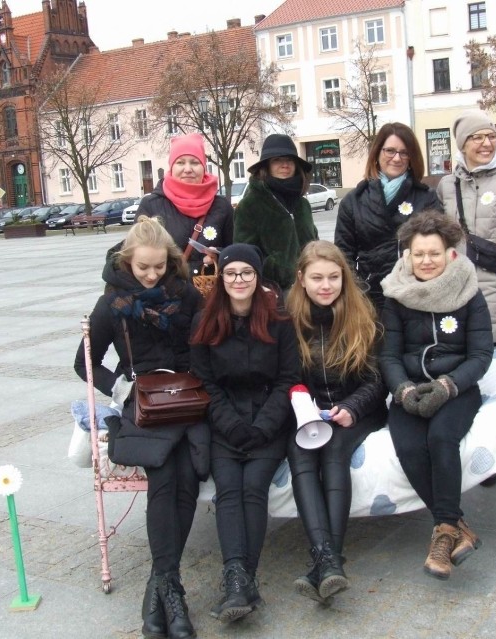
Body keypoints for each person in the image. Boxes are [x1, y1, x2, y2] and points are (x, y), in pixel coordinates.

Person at [73, 217, 205, 639]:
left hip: (186, 399)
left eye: (159, 267)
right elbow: (85, 362)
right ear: (127, 261)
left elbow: (207, 344)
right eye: (143, 267)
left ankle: (161, 587)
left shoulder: (185, 294)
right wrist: (121, 388)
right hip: (143, 404)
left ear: (170, 261)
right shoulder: (111, 303)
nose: (151, 275)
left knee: (187, 475)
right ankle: (171, 589)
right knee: (166, 476)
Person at [379, 211, 493, 581]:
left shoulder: (469, 293)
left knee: (441, 438)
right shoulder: (395, 296)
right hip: (410, 388)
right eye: (418, 254)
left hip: (456, 388)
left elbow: (480, 355)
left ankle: (443, 534)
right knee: (411, 447)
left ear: (450, 254)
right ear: (407, 256)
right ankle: (458, 527)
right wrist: (403, 389)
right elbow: (389, 355)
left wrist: (447, 386)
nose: (426, 261)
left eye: (434, 253)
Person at [190, 243, 300, 622]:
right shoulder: (205, 320)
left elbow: (288, 379)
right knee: (229, 492)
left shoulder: (278, 319)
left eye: (247, 273)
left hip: (268, 423)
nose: (239, 280)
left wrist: (263, 426)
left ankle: (238, 582)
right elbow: (204, 383)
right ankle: (241, 583)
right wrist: (232, 425)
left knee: (253, 488)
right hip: (224, 424)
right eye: (231, 273)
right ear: (221, 277)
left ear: (257, 278)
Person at [285, 240, 388, 602]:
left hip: (357, 409)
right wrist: (301, 402)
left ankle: (328, 559)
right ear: (301, 279)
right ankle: (328, 561)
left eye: (333, 277)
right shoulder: (288, 317)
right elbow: (283, 374)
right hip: (307, 414)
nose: (326, 285)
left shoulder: (363, 313)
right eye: (317, 278)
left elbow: (377, 379)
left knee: (334, 454)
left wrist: (352, 407)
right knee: (301, 457)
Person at [436, 110, 496, 344]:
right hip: (456, 296)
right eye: (477, 137)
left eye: (491, 136)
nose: (486, 143)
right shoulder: (447, 185)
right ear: (462, 144)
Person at [335, 122, 440, 310]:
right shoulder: (353, 201)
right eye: (390, 151)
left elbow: (439, 249)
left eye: (404, 152)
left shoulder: (426, 198)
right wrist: (359, 291)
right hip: (371, 298)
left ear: (411, 158)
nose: (396, 158)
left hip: (416, 296)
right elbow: (343, 257)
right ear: (377, 154)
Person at [137, 133, 233, 276]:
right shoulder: (151, 205)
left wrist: (218, 255)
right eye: (180, 162)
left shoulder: (222, 206)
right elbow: (137, 254)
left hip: (210, 293)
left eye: (194, 162)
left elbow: (236, 250)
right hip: (168, 294)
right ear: (171, 167)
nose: (188, 169)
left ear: (204, 167)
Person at [233, 135, 318, 293]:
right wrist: (278, 270)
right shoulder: (250, 205)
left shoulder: (302, 204)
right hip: (273, 292)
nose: (285, 165)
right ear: (267, 166)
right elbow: (244, 254)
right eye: (277, 160)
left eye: (290, 160)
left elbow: (313, 241)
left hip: (310, 288)